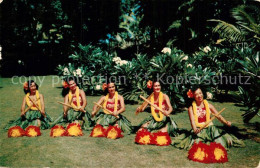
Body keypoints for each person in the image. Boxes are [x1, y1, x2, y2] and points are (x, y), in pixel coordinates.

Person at [171, 87, 245, 150]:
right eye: (196, 94)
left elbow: (218, 116)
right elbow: (192, 121)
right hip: (199, 129)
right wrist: (194, 129)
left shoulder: (209, 106)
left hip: (210, 129)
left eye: (200, 93)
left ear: (203, 93)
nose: (199, 96)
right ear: (193, 96)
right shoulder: (191, 108)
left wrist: (226, 122)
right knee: (198, 145)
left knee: (219, 143)